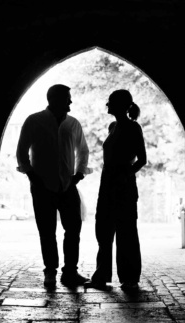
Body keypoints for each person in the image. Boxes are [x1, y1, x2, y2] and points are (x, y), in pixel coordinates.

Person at [16, 84, 91, 288]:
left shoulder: (73, 124)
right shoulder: (34, 121)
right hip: (42, 185)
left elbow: (82, 150)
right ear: (54, 99)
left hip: (68, 184)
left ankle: (70, 272)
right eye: (67, 98)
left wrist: (79, 174)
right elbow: (21, 151)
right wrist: (32, 175)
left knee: (73, 228)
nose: (70, 102)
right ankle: (50, 271)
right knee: (47, 230)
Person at [85, 89, 147, 291]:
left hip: (124, 186)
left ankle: (129, 278)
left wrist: (125, 175)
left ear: (121, 105)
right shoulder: (113, 127)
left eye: (110, 101)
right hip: (107, 184)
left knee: (126, 232)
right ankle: (101, 276)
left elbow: (142, 160)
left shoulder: (133, 128)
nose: (106, 104)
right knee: (103, 230)